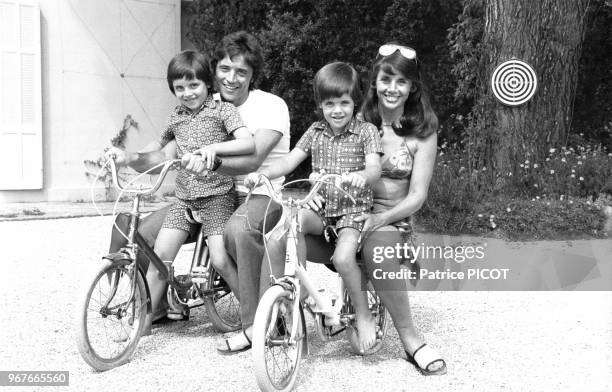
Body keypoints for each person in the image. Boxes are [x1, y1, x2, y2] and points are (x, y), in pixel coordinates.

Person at [106, 32, 291, 335]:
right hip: (196, 194)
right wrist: (128, 157)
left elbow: (252, 159)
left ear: (253, 74)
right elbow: (162, 156)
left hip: (254, 193)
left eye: (241, 71)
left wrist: (210, 160)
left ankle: (260, 322)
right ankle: (159, 307)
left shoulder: (270, 106)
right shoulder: (198, 104)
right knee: (140, 234)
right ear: (214, 70)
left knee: (239, 232)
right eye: (225, 69)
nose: (231, 78)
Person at [240, 61, 382, 353]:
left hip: (352, 213)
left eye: (344, 102)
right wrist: (261, 174)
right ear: (321, 105)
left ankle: (364, 314)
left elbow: (374, 169)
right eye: (330, 103)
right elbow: (290, 161)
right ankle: (296, 289)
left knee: (344, 260)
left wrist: (361, 177)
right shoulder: (315, 131)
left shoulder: (366, 131)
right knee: (289, 227)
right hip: (322, 207)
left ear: (356, 101)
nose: (337, 110)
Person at [354, 43, 447, 375]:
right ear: (375, 82)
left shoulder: (422, 132)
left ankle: (411, 341)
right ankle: (277, 319)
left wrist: (379, 218)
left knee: (377, 253)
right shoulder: (358, 121)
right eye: (386, 79)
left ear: (412, 88)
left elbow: (417, 195)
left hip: (392, 219)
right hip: (351, 213)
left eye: (401, 82)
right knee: (285, 229)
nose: (392, 89)